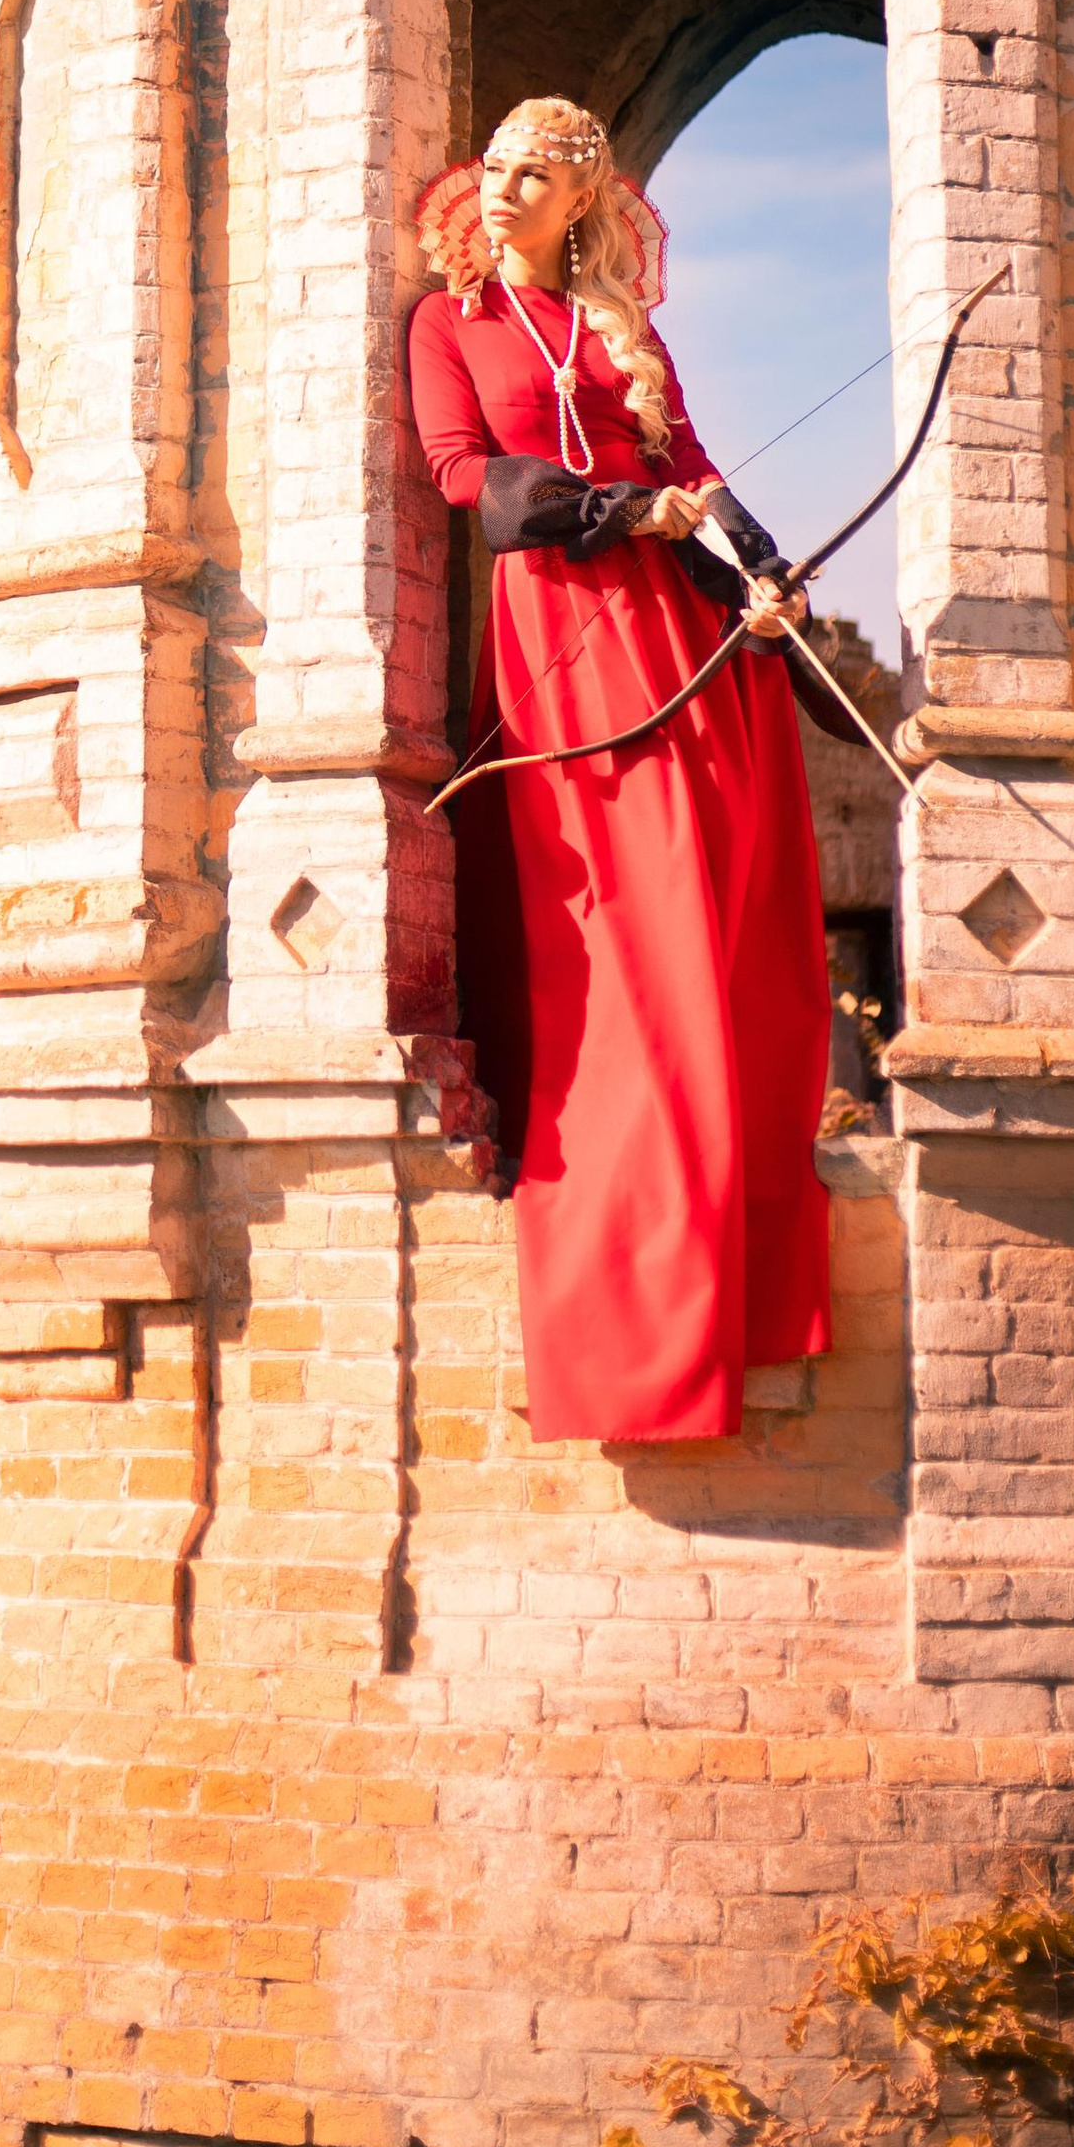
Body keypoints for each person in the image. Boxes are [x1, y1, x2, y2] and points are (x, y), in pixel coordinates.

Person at [406, 93, 845, 1443]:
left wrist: (765, 580)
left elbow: (699, 477)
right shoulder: (450, 325)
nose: (504, 188)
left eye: (535, 175)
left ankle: (743, 1293)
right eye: (497, 166)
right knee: (625, 947)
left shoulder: (626, 335)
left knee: (716, 940)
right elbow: (462, 476)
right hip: (566, 643)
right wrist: (623, 510)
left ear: (583, 200)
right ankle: (630, 1320)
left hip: (684, 645)